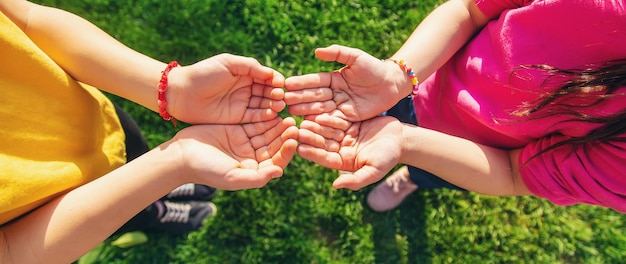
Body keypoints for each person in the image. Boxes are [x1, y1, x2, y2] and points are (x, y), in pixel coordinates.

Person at [0, 0, 299, 263]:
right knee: (128, 211)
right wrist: (174, 163)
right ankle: (151, 212)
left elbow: (24, 18)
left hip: (94, 122)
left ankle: (159, 193)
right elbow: (11, 252)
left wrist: (175, 89)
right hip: (52, 215)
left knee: (134, 150)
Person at [284, 0, 626, 214]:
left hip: (470, 156)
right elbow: (468, 10)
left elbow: (511, 173)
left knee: (428, 172)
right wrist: (396, 78)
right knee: (398, 118)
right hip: (426, 76)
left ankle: (411, 178)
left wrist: (407, 143)